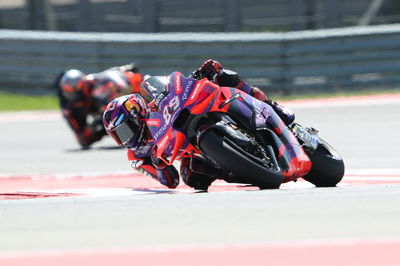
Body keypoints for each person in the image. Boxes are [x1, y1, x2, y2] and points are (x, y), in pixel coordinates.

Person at [103, 59, 294, 190]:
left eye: (125, 130)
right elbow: (170, 182)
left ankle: (271, 107)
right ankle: (243, 169)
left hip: (186, 115)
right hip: (188, 149)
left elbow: (171, 87)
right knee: (193, 178)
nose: (126, 138)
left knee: (221, 75)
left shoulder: (149, 95)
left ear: (136, 113)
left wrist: (198, 74)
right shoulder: (136, 156)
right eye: (118, 136)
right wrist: (158, 163)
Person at [54, 63, 142, 148]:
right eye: (69, 94)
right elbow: (82, 139)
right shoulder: (70, 109)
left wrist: (122, 70)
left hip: (131, 96)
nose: (72, 97)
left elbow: (109, 75)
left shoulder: (94, 81)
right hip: (108, 121)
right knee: (85, 138)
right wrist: (96, 127)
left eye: (74, 93)